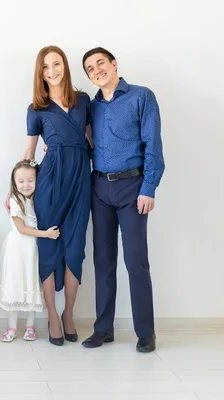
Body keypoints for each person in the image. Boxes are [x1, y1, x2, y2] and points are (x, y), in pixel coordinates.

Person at [6, 45, 92, 346]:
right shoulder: (35, 110)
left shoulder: (83, 101)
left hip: (81, 180)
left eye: (57, 64)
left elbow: (91, 140)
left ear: (65, 67)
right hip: (51, 181)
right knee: (48, 245)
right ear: (39, 73)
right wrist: (13, 188)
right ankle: (52, 316)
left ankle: (69, 313)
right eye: (46, 67)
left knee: (76, 247)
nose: (52, 71)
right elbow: (30, 152)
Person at [81, 47, 165, 353]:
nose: (97, 70)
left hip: (133, 188)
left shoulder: (142, 96)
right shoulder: (91, 107)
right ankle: (103, 329)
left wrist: (149, 187)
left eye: (100, 63)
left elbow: (153, 144)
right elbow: (87, 144)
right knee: (103, 262)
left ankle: (145, 331)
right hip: (99, 188)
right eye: (90, 68)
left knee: (135, 261)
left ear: (114, 64)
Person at [0, 160, 60, 342]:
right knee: (15, 286)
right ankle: (12, 327)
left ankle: (30, 327)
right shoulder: (15, 200)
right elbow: (22, 229)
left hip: (32, 250)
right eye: (21, 181)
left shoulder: (38, 199)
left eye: (31, 180)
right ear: (14, 183)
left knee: (31, 285)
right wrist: (46, 234)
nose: (26, 185)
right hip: (17, 249)